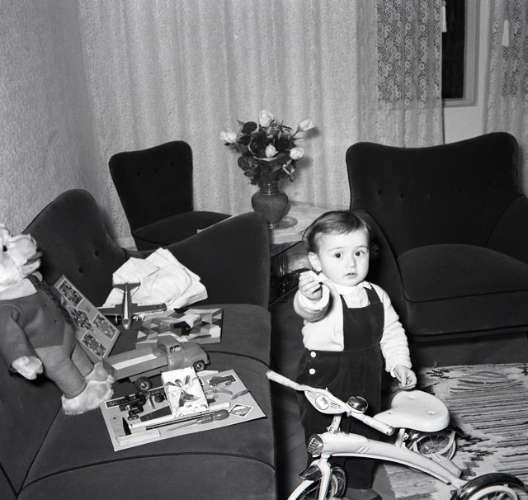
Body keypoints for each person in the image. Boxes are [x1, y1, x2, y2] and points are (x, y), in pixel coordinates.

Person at [294, 210, 417, 500]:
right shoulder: (321, 292)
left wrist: (399, 363)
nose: (351, 263)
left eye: (359, 252)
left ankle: (359, 482)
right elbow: (311, 310)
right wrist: (310, 297)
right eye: (338, 255)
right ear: (316, 261)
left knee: (365, 429)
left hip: (367, 373)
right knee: (324, 432)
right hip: (326, 376)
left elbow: (392, 332)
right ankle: (322, 478)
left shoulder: (376, 294)